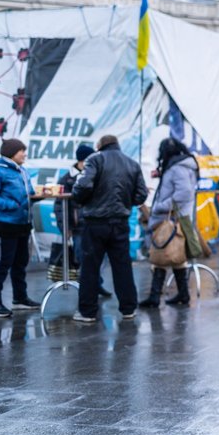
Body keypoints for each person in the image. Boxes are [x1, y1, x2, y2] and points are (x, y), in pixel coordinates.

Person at [71, 135, 148, 322]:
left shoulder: (94, 159)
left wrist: (81, 200)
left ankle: (87, 312)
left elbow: (83, 185)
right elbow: (142, 194)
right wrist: (126, 202)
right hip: (120, 222)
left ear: (99, 146)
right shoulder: (132, 163)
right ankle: (129, 308)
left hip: (95, 222)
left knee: (90, 268)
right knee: (122, 267)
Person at [0, 139, 42, 317]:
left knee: (20, 262)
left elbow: (28, 194)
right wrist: (12, 205)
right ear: (11, 152)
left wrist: (38, 196)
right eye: (21, 151)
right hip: (5, 225)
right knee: (1, 264)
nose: (24, 154)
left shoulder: (22, 171)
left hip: (23, 224)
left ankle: (20, 299)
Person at [140, 138, 200, 307]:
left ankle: (155, 296)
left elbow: (184, 193)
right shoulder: (183, 166)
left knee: (162, 253)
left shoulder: (177, 168)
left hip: (171, 220)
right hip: (179, 218)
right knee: (175, 256)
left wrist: (160, 206)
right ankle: (182, 294)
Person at [54, 144, 111, 298]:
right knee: (83, 258)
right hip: (78, 226)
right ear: (83, 160)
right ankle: (89, 289)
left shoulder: (97, 175)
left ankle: (96, 284)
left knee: (102, 256)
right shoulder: (67, 179)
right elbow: (59, 206)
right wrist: (64, 227)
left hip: (97, 223)